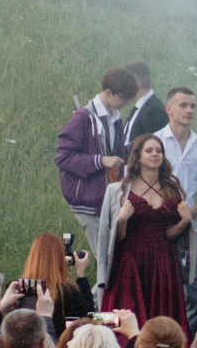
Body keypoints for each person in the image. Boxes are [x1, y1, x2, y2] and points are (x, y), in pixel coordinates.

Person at [103, 134, 195, 330]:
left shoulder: (172, 190)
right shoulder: (118, 191)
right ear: (138, 156)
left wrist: (184, 222)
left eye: (159, 151)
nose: (155, 154)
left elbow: (168, 234)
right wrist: (122, 220)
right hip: (131, 263)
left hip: (164, 263)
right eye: (149, 150)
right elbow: (116, 240)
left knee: (163, 320)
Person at [158, 89, 197, 328]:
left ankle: (189, 341)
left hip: (192, 227)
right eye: (183, 105)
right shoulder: (156, 142)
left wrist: (193, 211)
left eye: (192, 106)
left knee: (195, 291)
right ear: (169, 109)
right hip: (161, 225)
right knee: (163, 289)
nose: (189, 110)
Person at [57, 70, 140, 234]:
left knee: (110, 250)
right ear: (108, 93)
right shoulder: (82, 117)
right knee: (102, 251)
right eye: (123, 98)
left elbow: (115, 154)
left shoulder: (115, 117)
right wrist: (100, 160)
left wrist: (137, 147)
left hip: (107, 200)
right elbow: (63, 158)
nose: (125, 103)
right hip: (87, 202)